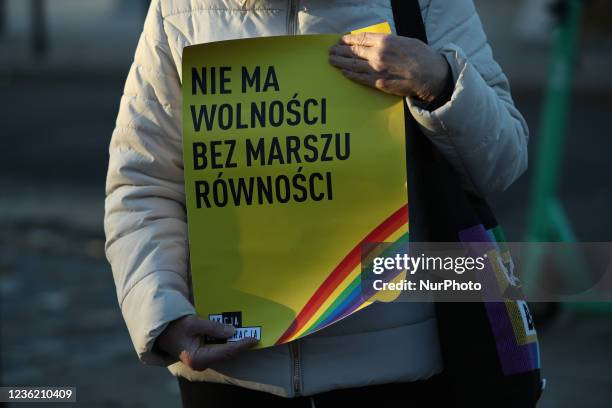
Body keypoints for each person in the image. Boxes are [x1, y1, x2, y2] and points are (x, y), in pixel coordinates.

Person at [105, 0, 531, 406]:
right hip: (229, 373)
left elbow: (503, 162)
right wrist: (164, 316)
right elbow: (142, 182)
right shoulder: (179, 10)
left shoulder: (423, 4)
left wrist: (438, 81)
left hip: (394, 374)